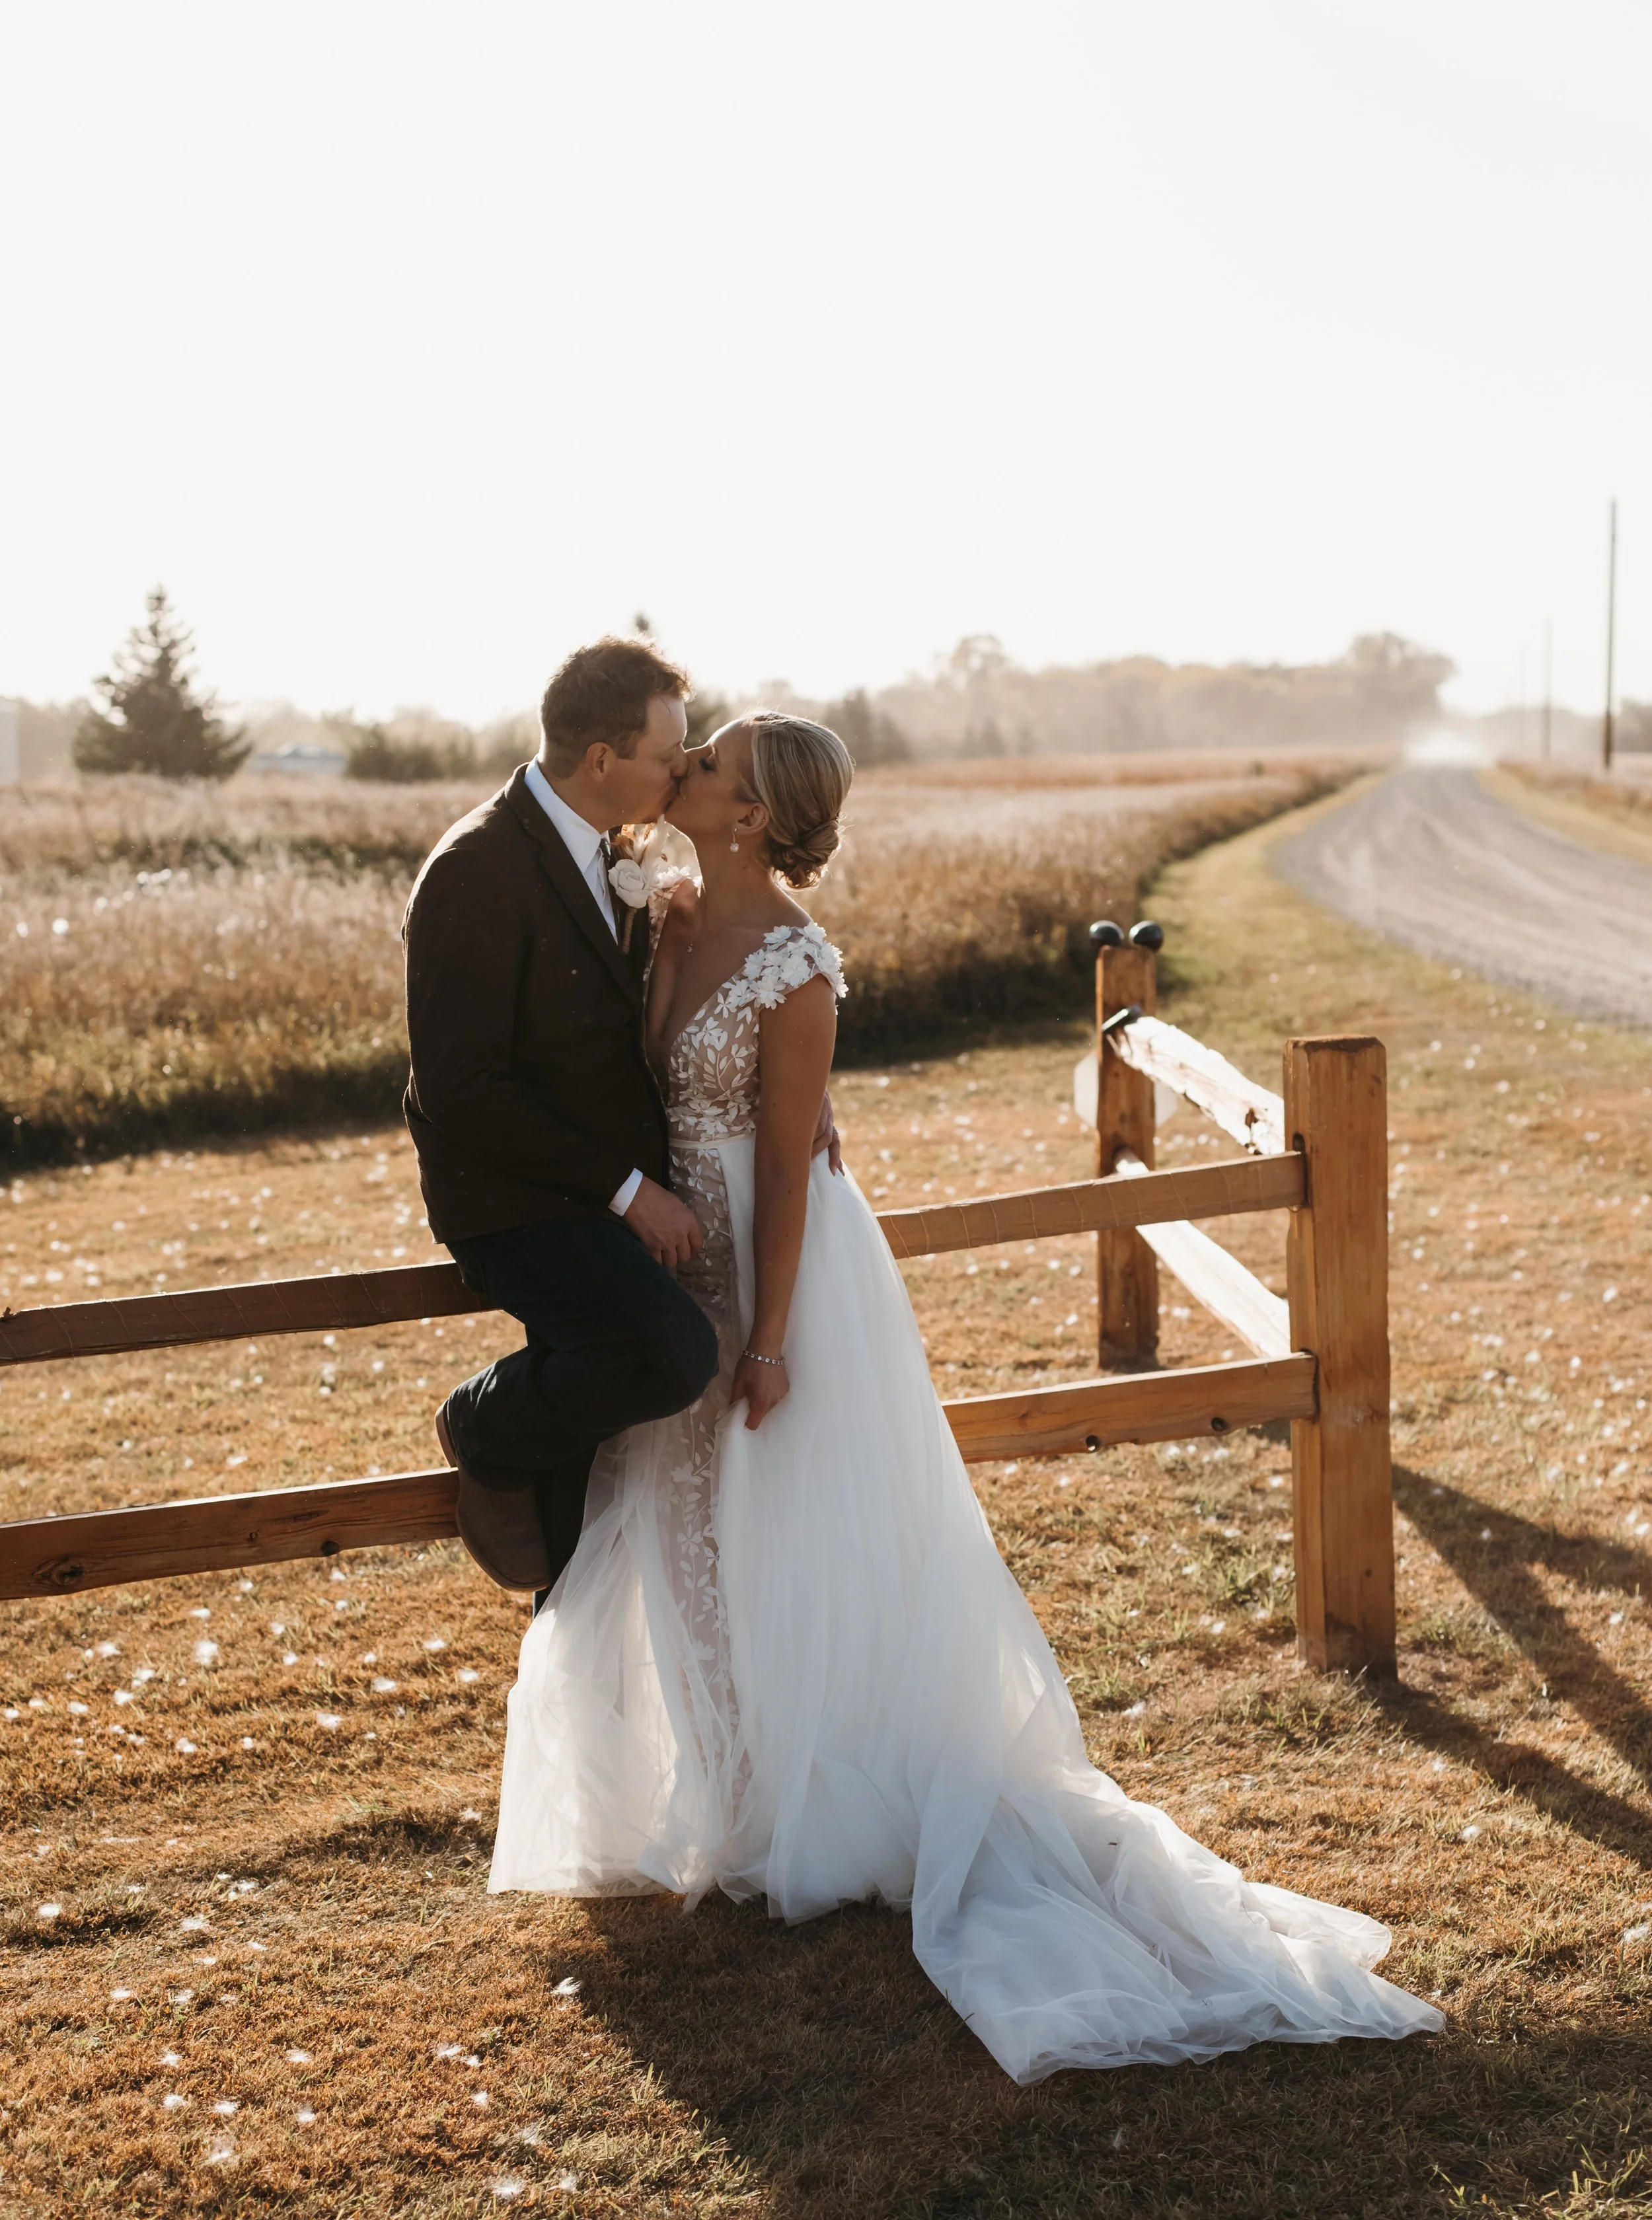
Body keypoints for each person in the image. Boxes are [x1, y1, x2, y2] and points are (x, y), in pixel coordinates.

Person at [486, 708, 1445, 2084]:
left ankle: (794, 1812)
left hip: (771, 1272)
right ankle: (728, 1794)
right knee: (684, 1531)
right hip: (669, 1270)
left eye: (709, 765)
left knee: (780, 1530)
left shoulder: (794, 966)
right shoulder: (670, 910)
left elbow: (777, 1166)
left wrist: (768, 1340)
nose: (680, 768)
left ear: (753, 813)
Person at [403, 637, 837, 1598]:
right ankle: (482, 1424)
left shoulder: (626, 855)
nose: (681, 768)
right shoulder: (475, 869)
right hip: (516, 1200)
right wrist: (630, 1188)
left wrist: (803, 1084)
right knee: (668, 1349)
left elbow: (718, 997)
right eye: (668, 752)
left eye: (695, 755)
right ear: (603, 760)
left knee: (613, 1435)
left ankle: (567, 1587)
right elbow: (459, 1088)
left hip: (615, 1189)